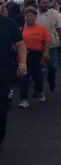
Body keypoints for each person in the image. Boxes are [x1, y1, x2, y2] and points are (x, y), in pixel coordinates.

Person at [0, 12, 28, 150]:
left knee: (2, 111)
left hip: (2, 74)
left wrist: (22, 64)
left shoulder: (9, 24)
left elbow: (20, 45)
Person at [17, 7, 50, 108]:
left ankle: (40, 91)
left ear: (35, 17)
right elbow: (16, 42)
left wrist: (46, 53)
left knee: (37, 76)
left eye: (32, 16)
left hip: (36, 55)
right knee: (23, 77)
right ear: (24, 17)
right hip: (24, 55)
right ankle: (24, 99)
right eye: (27, 16)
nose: (29, 18)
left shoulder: (41, 29)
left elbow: (46, 42)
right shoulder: (20, 29)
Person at [36, 0, 61, 92]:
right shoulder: (34, 14)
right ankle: (38, 88)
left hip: (53, 44)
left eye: (47, 3)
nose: (45, 4)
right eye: (43, 3)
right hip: (37, 45)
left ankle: (51, 79)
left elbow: (60, 29)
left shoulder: (55, 14)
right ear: (38, 3)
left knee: (52, 66)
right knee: (37, 68)